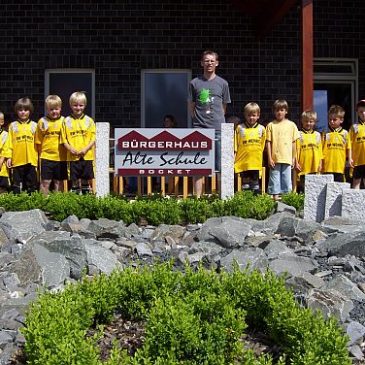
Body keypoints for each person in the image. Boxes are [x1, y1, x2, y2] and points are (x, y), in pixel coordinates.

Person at [189, 50, 231, 197]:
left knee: (221, 165)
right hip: (199, 129)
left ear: (217, 63)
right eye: (206, 61)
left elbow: (224, 107)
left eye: (212, 61)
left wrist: (217, 119)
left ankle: (221, 197)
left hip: (219, 129)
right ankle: (198, 198)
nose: (209, 63)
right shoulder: (194, 83)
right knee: (199, 164)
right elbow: (191, 106)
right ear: (202, 63)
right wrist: (198, 121)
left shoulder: (223, 83)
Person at [61, 91, 96, 194]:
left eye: (81, 105)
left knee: (86, 179)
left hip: (86, 155)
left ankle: (85, 200)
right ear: (71, 105)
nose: (78, 108)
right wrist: (71, 149)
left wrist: (85, 149)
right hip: (72, 156)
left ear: (84, 105)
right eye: (75, 105)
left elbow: (93, 138)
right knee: (74, 180)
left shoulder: (89, 121)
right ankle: (75, 200)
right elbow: (64, 139)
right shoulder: (66, 121)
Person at [266, 99, 299, 201]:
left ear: (286, 111)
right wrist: (270, 158)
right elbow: (268, 142)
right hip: (275, 158)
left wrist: (294, 158)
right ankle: (275, 199)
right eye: (277, 110)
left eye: (282, 110)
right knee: (274, 179)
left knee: (286, 179)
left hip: (287, 157)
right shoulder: (271, 125)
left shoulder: (292, 125)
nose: (279, 112)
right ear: (274, 111)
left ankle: (286, 199)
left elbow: (294, 143)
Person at [35, 95, 68, 195]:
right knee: (45, 182)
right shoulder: (42, 122)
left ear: (60, 109)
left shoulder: (65, 121)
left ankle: (57, 205)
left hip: (61, 158)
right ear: (47, 109)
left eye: (56, 109)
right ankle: (43, 205)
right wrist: (40, 157)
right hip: (46, 157)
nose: (54, 111)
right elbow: (38, 142)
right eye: (51, 109)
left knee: (59, 183)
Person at [7, 97, 38, 194]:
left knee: (31, 184)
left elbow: (38, 144)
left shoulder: (35, 125)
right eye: (20, 110)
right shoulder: (12, 126)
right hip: (17, 160)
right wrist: (9, 157)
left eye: (26, 110)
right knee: (17, 185)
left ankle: (31, 204)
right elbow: (9, 143)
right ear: (17, 111)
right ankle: (17, 204)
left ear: (30, 111)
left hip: (31, 160)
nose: (23, 112)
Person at [234, 102, 266, 193]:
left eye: (254, 115)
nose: (251, 118)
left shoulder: (261, 129)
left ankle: (255, 201)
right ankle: (245, 202)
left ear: (258, 116)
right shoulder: (240, 128)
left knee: (255, 184)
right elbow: (236, 143)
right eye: (249, 115)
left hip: (255, 160)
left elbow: (262, 144)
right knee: (245, 184)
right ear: (245, 115)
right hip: (243, 160)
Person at [322, 105, 352, 182]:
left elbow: (349, 148)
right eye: (330, 119)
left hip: (340, 167)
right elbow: (320, 149)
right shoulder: (325, 133)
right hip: (327, 167)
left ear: (341, 120)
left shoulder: (345, 133)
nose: (331, 121)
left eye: (334, 119)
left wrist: (349, 160)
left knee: (339, 190)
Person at [295, 110, 323, 192]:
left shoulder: (317, 135)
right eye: (306, 121)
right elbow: (296, 150)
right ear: (302, 121)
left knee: (313, 189)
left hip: (314, 165)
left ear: (314, 122)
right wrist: (296, 162)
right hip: (303, 166)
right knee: (303, 188)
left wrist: (320, 163)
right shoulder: (299, 134)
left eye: (311, 121)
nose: (308, 123)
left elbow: (320, 151)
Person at [349, 100, 365, 189]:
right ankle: (354, 203)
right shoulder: (354, 127)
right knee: (356, 183)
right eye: (361, 111)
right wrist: (350, 157)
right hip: (358, 160)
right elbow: (349, 144)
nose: (363, 113)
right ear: (358, 113)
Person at [0, 112, 11, 193]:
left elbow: (5, 150)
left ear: (2, 122)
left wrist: (0, 162)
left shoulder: (5, 135)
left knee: (2, 190)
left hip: (1, 168)